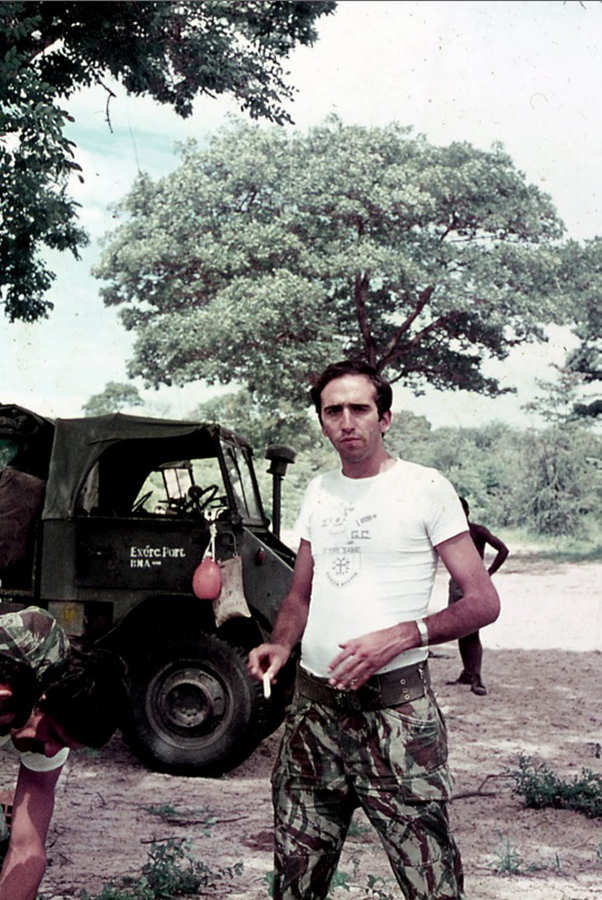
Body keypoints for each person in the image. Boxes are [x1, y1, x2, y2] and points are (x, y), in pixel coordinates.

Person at [248, 359, 500, 900]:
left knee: (431, 885)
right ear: (321, 421)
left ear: (384, 418)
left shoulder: (425, 488)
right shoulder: (319, 491)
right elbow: (300, 595)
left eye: (359, 408)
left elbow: (483, 602)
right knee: (295, 882)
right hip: (313, 718)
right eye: (333, 411)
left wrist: (405, 634)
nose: (346, 421)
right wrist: (281, 643)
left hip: (397, 718)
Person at [0, 606, 128, 900]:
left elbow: (27, 849)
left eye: (64, 745)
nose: (50, 751)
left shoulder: (46, 714)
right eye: (55, 736)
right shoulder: (22, 699)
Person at [447, 498, 508, 696]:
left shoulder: (476, 531)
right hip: (456, 584)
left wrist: (488, 573)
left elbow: (503, 549)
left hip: (472, 584)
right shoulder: (450, 534)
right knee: (459, 630)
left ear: (466, 512)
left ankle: (476, 677)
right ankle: (467, 672)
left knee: (472, 632)